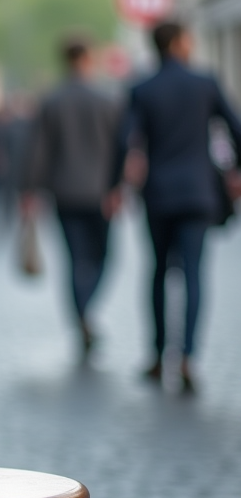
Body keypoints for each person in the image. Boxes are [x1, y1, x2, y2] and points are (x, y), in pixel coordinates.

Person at [112, 20, 241, 392]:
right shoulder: (205, 82)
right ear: (180, 43)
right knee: (194, 274)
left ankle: (157, 355)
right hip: (199, 192)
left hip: (158, 194)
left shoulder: (142, 87)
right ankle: (187, 356)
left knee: (157, 272)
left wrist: (115, 185)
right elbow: (236, 129)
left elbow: (124, 140)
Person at [21, 37, 121, 355]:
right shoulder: (106, 99)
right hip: (101, 193)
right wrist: (118, 187)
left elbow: (39, 150)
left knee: (75, 259)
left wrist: (30, 189)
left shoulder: (52, 101)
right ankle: (86, 309)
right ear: (88, 58)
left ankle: (81, 314)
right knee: (103, 257)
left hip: (64, 193)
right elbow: (119, 148)